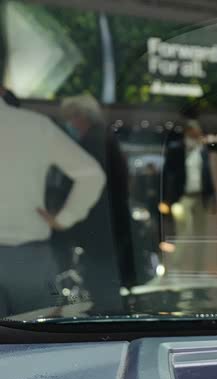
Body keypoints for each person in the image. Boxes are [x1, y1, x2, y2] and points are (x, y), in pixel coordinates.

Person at [0, 91, 105, 318]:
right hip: (29, 258)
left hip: (31, 256)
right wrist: (64, 218)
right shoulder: (36, 126)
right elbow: (92, 175)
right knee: (39, 332)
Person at [59, 94, 133, 312]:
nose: (69, 123)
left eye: (71, 117)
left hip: (99, 222)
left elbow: (86, 184)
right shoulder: (105, 138)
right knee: (104, 275)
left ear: (81, 117)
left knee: (99, 275)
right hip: (109, 220)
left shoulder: (93, 142)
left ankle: (105, 315)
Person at [162, 120, 217, 275]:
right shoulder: (176, 150)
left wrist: (213, 198)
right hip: (182, 197)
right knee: (184, 232)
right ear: (187, 132)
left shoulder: (202, 151)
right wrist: (168, 199)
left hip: (200, 196)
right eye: (193, 133)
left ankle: (198, 268)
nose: (196, 136)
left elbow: (207, 175)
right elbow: (168, 175)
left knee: (201, 234)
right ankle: (175, 265)